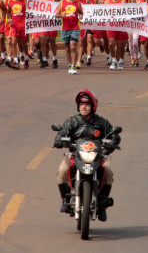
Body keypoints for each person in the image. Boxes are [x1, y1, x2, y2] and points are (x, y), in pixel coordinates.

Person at [54, 90, 121, 222]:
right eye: (81, 104)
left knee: (108, 171)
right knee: (62, 170)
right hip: (75, 155)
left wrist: (109, 147)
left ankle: (102, 203)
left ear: (93, 106)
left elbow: (114, 136)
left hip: (97, 156)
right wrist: (59, 141)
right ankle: (65, 199)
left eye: (87, 104)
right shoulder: (72, 121)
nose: (84, 107)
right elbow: (60, 135)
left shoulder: (102, 122)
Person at [56, 0, 84, 74]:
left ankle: (73, 65)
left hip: (75, 28)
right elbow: (56, 15)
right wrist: (61, 15)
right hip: (65, 28)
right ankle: (70, 63)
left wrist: (81, 15)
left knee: (73, 46)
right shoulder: (62, 3)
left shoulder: (77, 3)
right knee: (67, 47)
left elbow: (81, 12)